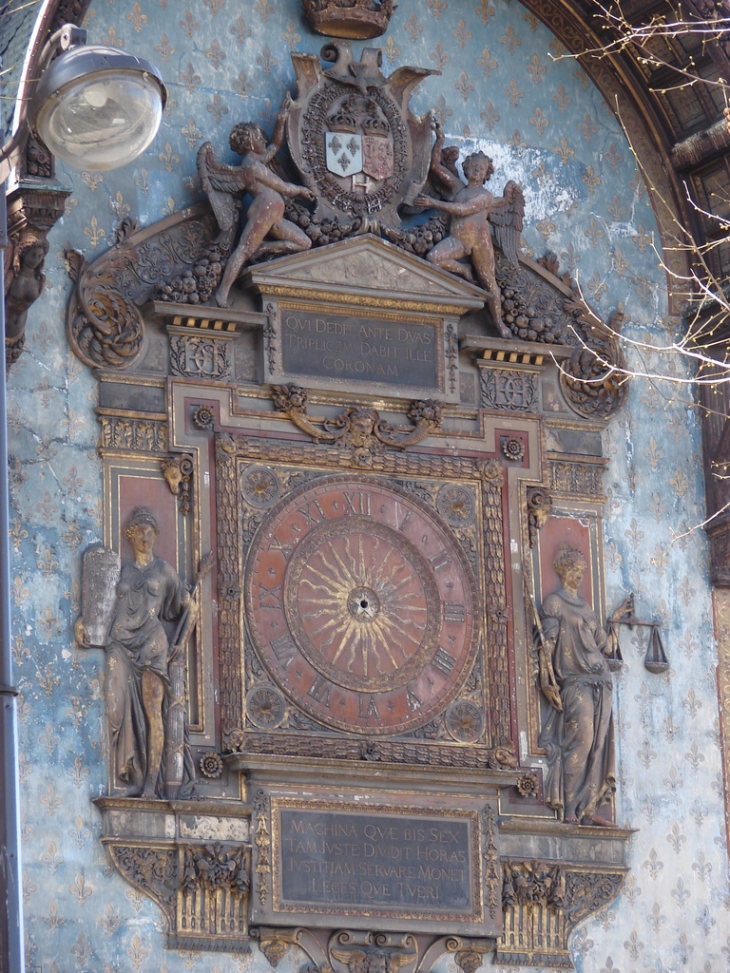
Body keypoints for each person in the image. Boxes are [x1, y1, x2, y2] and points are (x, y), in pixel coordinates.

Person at [76, 508, 190, 797]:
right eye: (139, 530)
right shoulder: (121, 570)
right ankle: (135, 773)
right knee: (116, 707)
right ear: (131, 534)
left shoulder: (164, 570)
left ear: (156, 534)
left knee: (154, 712)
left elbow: (192, 608)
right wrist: (83, 621)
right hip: (120, 643)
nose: (145, 535)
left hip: (152, 645)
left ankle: (151, 783)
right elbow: (100, 603)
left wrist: (181, 643)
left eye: (150, 530)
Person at [536, 546, 631, 826]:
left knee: (597, 746)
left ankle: (588, 807)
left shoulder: (587, 609)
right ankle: (570, 809)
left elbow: (605, 646)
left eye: (582, 571)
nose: (578, 575)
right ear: (563, 570)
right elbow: (547, 646)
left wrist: (615, 619)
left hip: (602, 682)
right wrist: (545, 680)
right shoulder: (554, 602)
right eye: (574, 570)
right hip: (575, 683)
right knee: (581, 741)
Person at [197, 93, 316, 308]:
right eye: (259, 138)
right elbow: (283, 187)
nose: (263, 141)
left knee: (304, 243)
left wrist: (281, 119)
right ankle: (222, 293)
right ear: (250, 142)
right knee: (243, 249)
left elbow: (276, 145)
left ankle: (265, 249)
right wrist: (301, 190)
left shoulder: (258, 161)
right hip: (266, 208)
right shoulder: (251, 167)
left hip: (275, 212)